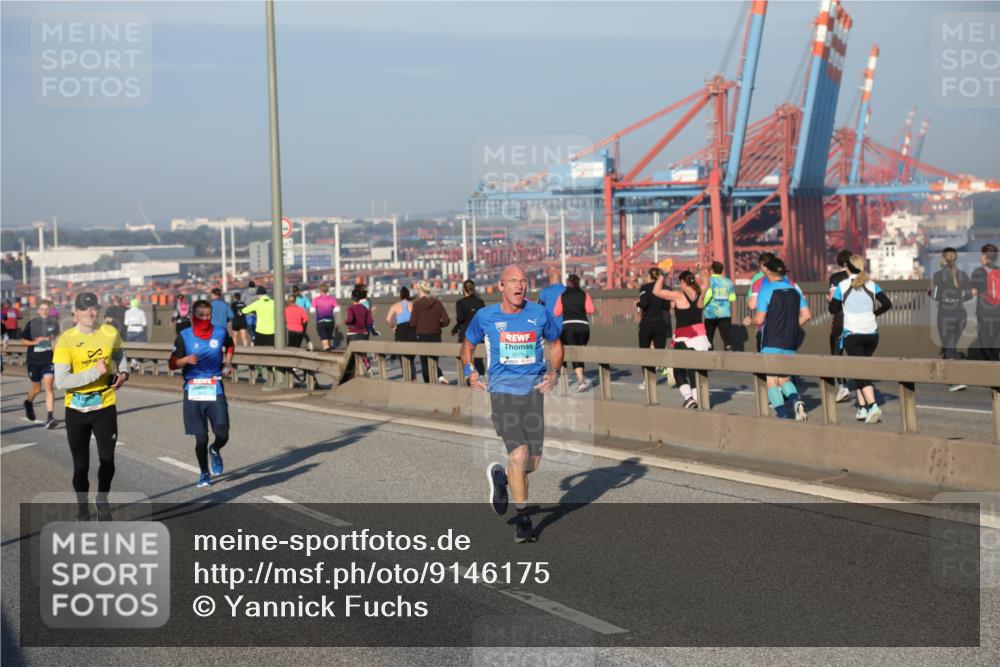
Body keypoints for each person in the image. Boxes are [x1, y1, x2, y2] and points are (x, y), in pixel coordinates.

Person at [462, 264, 563, 543]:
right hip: (503, 393)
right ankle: (523, 522)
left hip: (533, 393)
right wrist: (470, 370)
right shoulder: (485, 317)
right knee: (519, 454)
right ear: (501, 285)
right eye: (514, 281)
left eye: (524, 281)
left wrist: (553, 373)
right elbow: (467, 347)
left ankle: (503, 478)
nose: (520, 286)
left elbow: (555, 345)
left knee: (531, 463)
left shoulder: (539, 313)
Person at [53, 292, 130, 520]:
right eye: (84, 308)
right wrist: (93, 373)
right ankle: (82, 507)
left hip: (104, 404)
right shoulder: (65, 339)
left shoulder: (110, 332)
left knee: (107, 460)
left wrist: (124, 372)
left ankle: (102, 499)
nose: (90, 312)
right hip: (76, 409)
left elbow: (119, 353)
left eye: (94, 308)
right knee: (81, 466)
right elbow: (61, 381)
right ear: (75, 312)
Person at [167, 299, 234, 488]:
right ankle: (204, 473)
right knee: (201, 438)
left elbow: (230, 345)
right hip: (193, 390)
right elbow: (172, 364)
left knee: (223, 433)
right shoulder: (184, 336)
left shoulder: (220, 332)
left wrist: (228, 363)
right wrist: (186, 359)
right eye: (201, 316)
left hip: (215, 388)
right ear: (193, 317)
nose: (205, 319)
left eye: (208, 316)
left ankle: (215, 449)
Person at [829, 255, 893, 424]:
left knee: (860, 370)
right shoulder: (872, 284)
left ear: (847, 268)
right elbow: (887, 304)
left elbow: (832, 308)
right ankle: (862, 408)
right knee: (860, 368)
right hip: (872, 334)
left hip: (853, 334)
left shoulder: (842, 286)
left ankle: (872, 405)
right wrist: (874, 313)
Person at [754, 258, 811, 420]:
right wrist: (792, 326)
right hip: (790, 340)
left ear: (769, 272)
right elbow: (807, 315)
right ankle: (795, 401)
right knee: (784, 379)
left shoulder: (766, 289)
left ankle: (783, 414)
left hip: (771, 340)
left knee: (771, 381)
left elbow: (759, 320)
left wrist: (749, 322)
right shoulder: (794, 291)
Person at [653, 270, 710, 409]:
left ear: (683, 282)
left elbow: (656, 291)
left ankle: (689, 398)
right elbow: (706, 282)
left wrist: (662, 274)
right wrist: (701, 269)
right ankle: (698, 398)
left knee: (679, 370)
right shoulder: (700, 293)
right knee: (694, 370)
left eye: (680, 282)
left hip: (684, 337)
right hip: (700, 338)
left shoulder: (679, 295)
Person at [931, 248, 973, 390]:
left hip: (945, 314)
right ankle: (955, 376)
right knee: (952, 345)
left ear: (943, 259)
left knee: (948, 346)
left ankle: (956, 380)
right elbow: (969, 295)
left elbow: (936, 296)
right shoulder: (963, 275)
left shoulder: (938, 275)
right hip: (961, 314)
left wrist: (932, 292)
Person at [22, 299, 60, 428]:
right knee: (37, 388)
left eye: (47, 309)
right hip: (34, 360)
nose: (45, 311)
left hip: (48, 359)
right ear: (38, 311)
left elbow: (56, 340)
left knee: (49, 387)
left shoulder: (54, 324)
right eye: (42, 309)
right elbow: (23, 341)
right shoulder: (31, 324)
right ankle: (28, 402)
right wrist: (35, 343)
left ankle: (50, 417)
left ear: (50, 310)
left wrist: (56, 346)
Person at [553, 274, 595, 392]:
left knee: (570, 352)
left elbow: (556, 312)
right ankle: (580, 378)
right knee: (578, 352)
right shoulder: (584, 294)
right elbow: (591, 310)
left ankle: (580, 381)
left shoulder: (563, 296)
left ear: (568, 283)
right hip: (584, 327)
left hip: (569, 327)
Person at [637, 267, 672, 390]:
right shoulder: (663, 289)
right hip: (660, 322)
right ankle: (667, 368)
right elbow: (667, 306)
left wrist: (638, 304)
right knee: (660, 352)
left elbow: (644, 303)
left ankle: (648, 381)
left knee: (644, 352)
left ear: (650, 277)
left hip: (647, 323)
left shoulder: (644, 288)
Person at [410, 281, 451, 384]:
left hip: (422, 336)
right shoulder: (438, 303)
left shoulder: (417, 304)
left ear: (420, 290)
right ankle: (440, 377)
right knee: (434, 361)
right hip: (436, 336)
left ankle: (428, 384)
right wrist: (438, 325)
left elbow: (412, 323)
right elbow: (446, 320)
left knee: (424, 363)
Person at [827, 249, 854, 402]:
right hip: (859, 320)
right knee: (856, 354)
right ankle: (863, 384)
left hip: (841, 319)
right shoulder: (861, 277)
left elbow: (832, 299)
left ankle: (843, 387)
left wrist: (828, 298)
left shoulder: (836, 278)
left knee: (837, 353)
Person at [970, 243, 1000, 362]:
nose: (980, 257)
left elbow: (973, 291)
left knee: (985, 344)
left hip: (985, 312)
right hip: (998, 312)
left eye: (981, 255)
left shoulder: (978, 272)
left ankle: (995, 372)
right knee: (996, 343)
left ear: (985, 257)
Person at [743, 251, 776, 351]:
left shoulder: (758, 280)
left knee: (763, 363)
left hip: (765, 329)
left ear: (761, 265)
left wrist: (749, 322)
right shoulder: (785, 279)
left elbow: (752, 305)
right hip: (784, 330)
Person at [453, 280, 486, 376]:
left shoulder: (460, 303)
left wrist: (455, 329)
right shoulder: (480, 302)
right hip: (479, 334)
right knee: (478, 360)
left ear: (464, 289)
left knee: (467, 361)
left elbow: (460, 318)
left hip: (466, 334)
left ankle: (470, 383)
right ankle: (481, 380)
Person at [702, 261, 736, 351]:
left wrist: (703, 304)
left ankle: (709, 361)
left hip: (710, 314)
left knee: (709, 339)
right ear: (722, 270)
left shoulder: (710, 281)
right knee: (726, 338)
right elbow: (732, 298)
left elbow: (708, 295)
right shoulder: (728, 282)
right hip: (724, 314)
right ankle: (730, 355)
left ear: (712, 270)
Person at [386, 286, 416, 376]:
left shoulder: (395, 305)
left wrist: (393, 327)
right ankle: (413, 377)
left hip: (401, 331)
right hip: (412, 331)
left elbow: (388, 319)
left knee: (402, 357)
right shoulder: (413, 305)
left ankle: (407, 376)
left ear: (400, 295)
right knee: (411, 357)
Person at [344, 287, 374, 375]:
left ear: (352, 297)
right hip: (364, 333)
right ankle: (368, 368)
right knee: (363, 353)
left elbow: (350, 319)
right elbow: (370, 321)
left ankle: (352, 373)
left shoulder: (350, 308)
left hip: (352, 333)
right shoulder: (364, 308)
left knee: (351, 355)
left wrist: (346, 321)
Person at [312, 283, 340, 351]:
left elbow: (312, 310)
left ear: (320, 290)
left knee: (324, 337)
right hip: (330, 320)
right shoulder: (332, 299)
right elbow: (337, 309)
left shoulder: (316, 299)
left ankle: (326, 351)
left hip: (321, 321)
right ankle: (328, 348)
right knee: (328, 336)